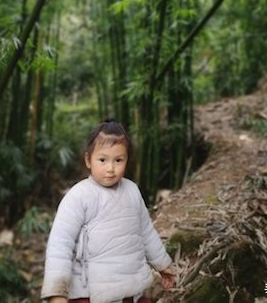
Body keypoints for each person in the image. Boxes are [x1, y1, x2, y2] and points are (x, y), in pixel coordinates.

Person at [41, 118, 175, 303]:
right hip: (89, 293)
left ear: (127, 160)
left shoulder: (132, 191)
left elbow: (146, 232)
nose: (111, 168)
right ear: (88, 160)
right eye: (102, 160)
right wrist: (57, 291)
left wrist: (162, 264)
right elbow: (60, 245)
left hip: (130, 287)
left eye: (118, 160)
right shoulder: (78, 196)